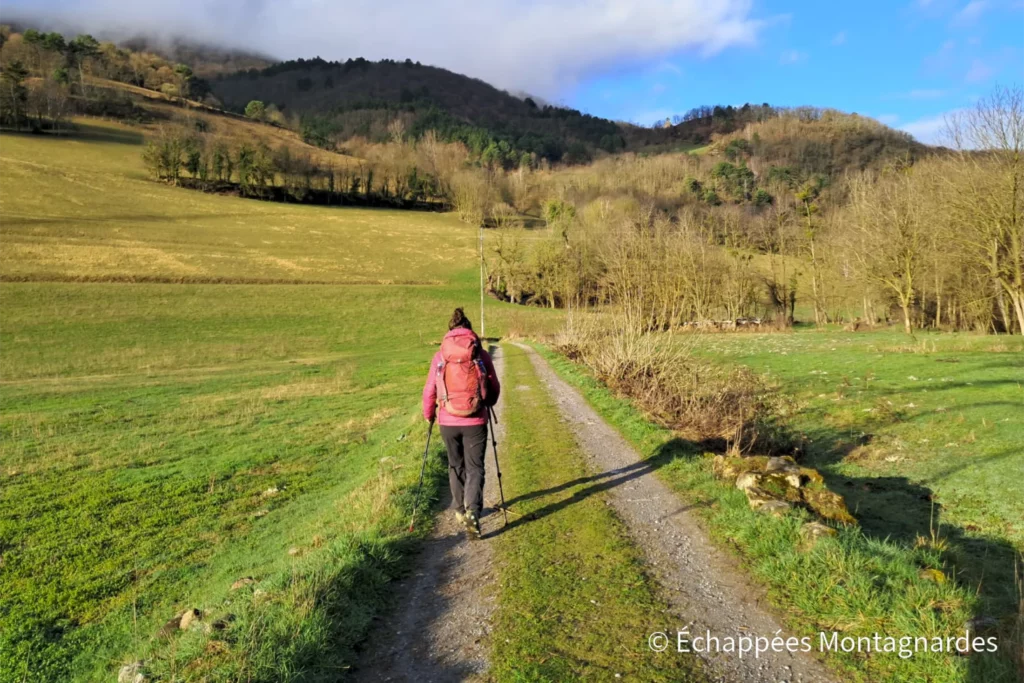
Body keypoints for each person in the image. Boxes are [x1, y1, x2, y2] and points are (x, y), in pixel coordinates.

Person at [422, 308, 500, 538]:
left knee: (455, 465)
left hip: (448, 420)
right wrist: (488, 403)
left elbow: (429, 389)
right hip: (475, 419)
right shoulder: (480, 354)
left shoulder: (440, 356)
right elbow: (494, 386)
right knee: (475, 467)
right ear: (469, 331)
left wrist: (429, 414)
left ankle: (459, 509)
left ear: (450, 332)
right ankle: (473, 511)